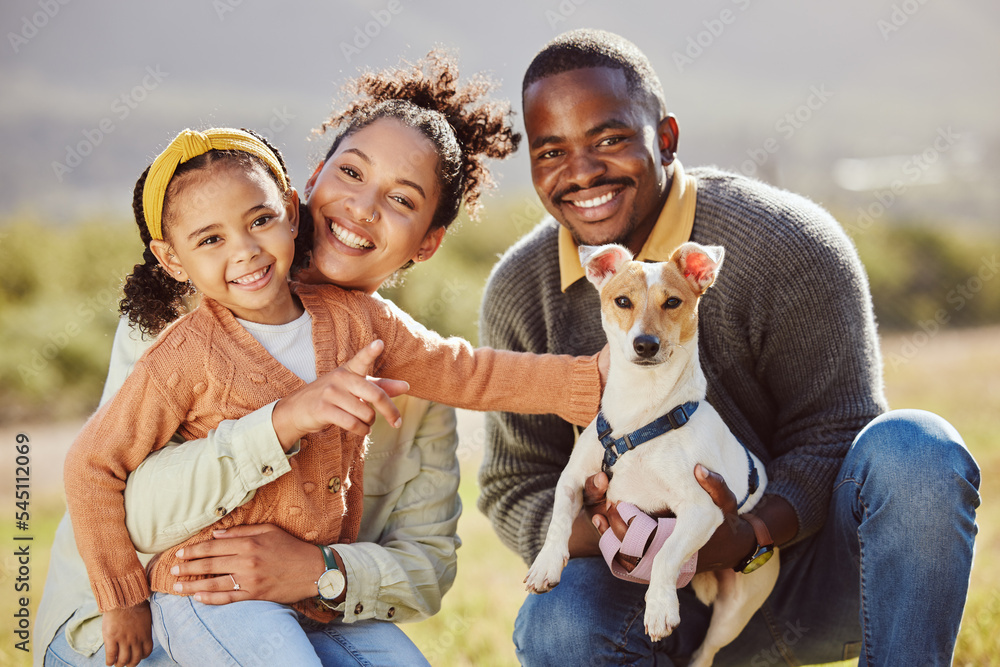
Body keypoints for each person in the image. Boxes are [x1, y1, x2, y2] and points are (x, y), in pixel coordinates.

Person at [36, 52, 602, 667]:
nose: (362, 208)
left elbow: (470, 378)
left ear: (431, 241)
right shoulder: (180, 327)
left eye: (402, 201)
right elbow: (108, 484)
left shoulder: (379, 335)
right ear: (310, 183)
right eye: (352, 174)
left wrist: (596, 381)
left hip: (304, 604)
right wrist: (280, 423)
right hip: (160, 605)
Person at [478, 29, 981, 666]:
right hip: (645, 601)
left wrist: (747, 535)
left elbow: (839, 429)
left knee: (918, 451)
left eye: (608, 139)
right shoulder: (522, 292)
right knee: (558, 622)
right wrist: (612, 538)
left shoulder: (789, 243)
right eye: (551, 152)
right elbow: (514, 479)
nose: (581, 173)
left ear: (664, 137)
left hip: (809, 580)